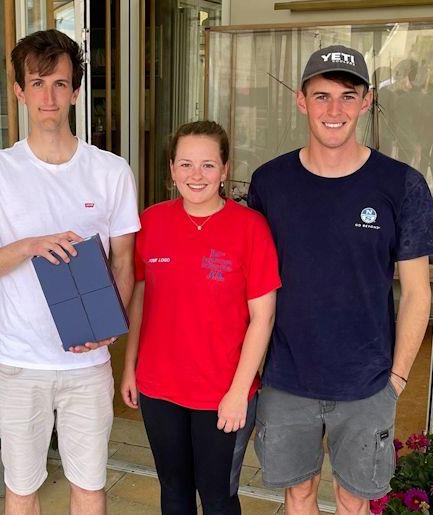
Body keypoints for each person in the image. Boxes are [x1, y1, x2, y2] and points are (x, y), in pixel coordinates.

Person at [248, 44, 433, 514]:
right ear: (301, 100)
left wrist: (396, 378)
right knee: (297, 493)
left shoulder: (401, 185)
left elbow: (418, 293)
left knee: (354, 500)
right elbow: (250, 284)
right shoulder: (269, 183)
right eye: (321, 96)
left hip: (367, 382)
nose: (334, 110)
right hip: (286, 377)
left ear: (366, 100)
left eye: (347, 95)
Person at [0, 29, 139, 514]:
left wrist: (107, 330)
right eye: (37, 83)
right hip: (20, 363)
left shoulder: (111, 171)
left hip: (87, 365)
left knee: (89, 488)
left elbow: (124, 260)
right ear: (19, 90)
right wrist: (29, 246)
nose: (49, 96)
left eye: (60, 84)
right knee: (21, 490)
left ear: (76, 91)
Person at [120, 120, 279, 514]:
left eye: (208, 165)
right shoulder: (152, 222)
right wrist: (129, 368)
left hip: (221, 392)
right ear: (172, 169)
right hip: (159, 387)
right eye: (186, 164)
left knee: (217, 495)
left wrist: (239, 392)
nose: (197, 175)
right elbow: (141, 298)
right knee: (173, 491)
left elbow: (264, 317)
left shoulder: (250, 228)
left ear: (225, 170)